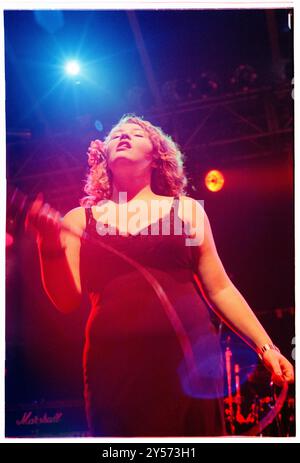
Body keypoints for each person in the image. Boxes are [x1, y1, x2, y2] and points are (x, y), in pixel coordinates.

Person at [26, 114, 294, 437]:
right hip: (114, 366)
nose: (123, 137)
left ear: (156, 156)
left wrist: (266, 347)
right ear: (104, 160)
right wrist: (47, 244)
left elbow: (220, 287)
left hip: (190, 361)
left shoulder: (188, 211)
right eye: (115, 136)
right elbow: (67, 301)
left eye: (135, 133)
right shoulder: (79, 220)